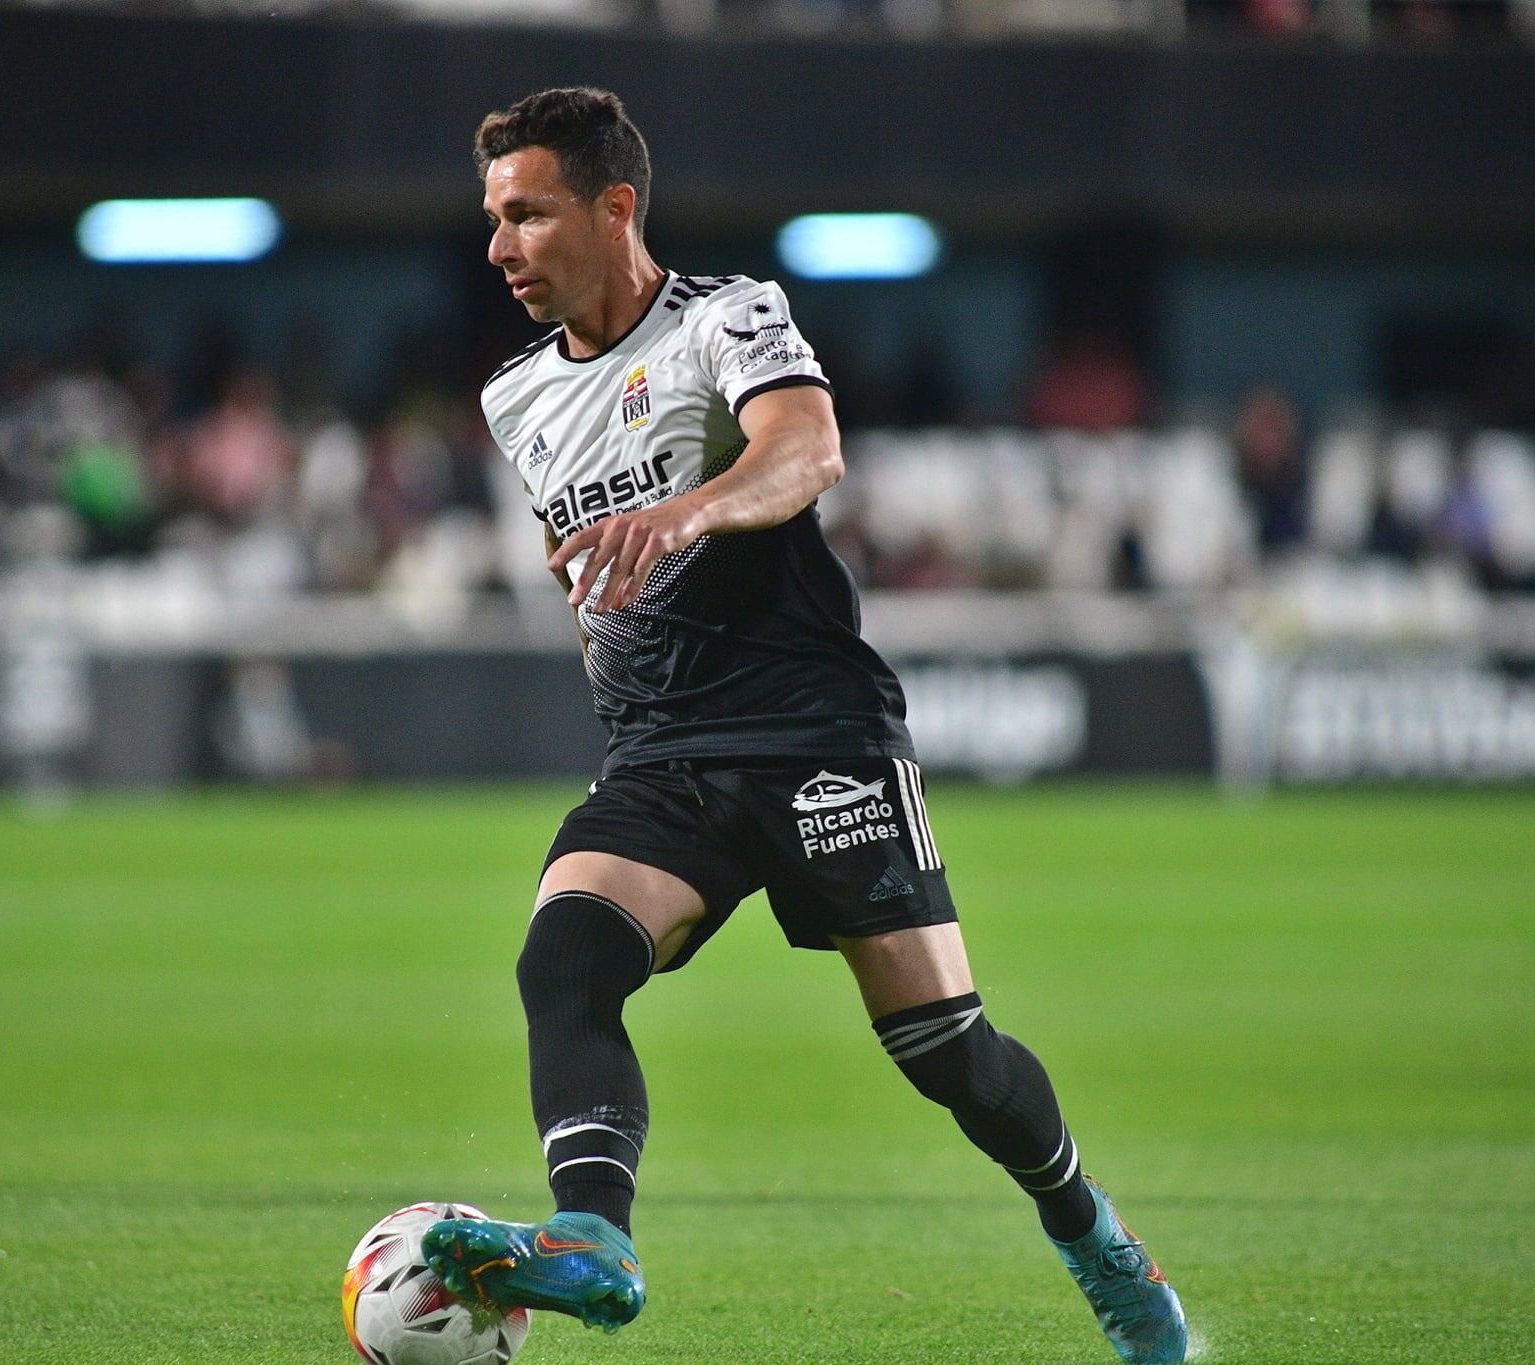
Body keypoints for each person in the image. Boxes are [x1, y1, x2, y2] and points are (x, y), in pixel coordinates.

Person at [419, 90, 1187, 1362]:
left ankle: (1089, 1229)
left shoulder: (727, 318)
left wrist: (687, 512)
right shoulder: (512, 399)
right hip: (662, 757)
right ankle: (592, 1241)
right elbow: (589, 575)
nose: (499, 246)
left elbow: (806, 450)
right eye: (493, 218)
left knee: (946, 1053)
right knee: (562, 956)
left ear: (614, 208)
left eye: (527, 214)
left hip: (812, 732)